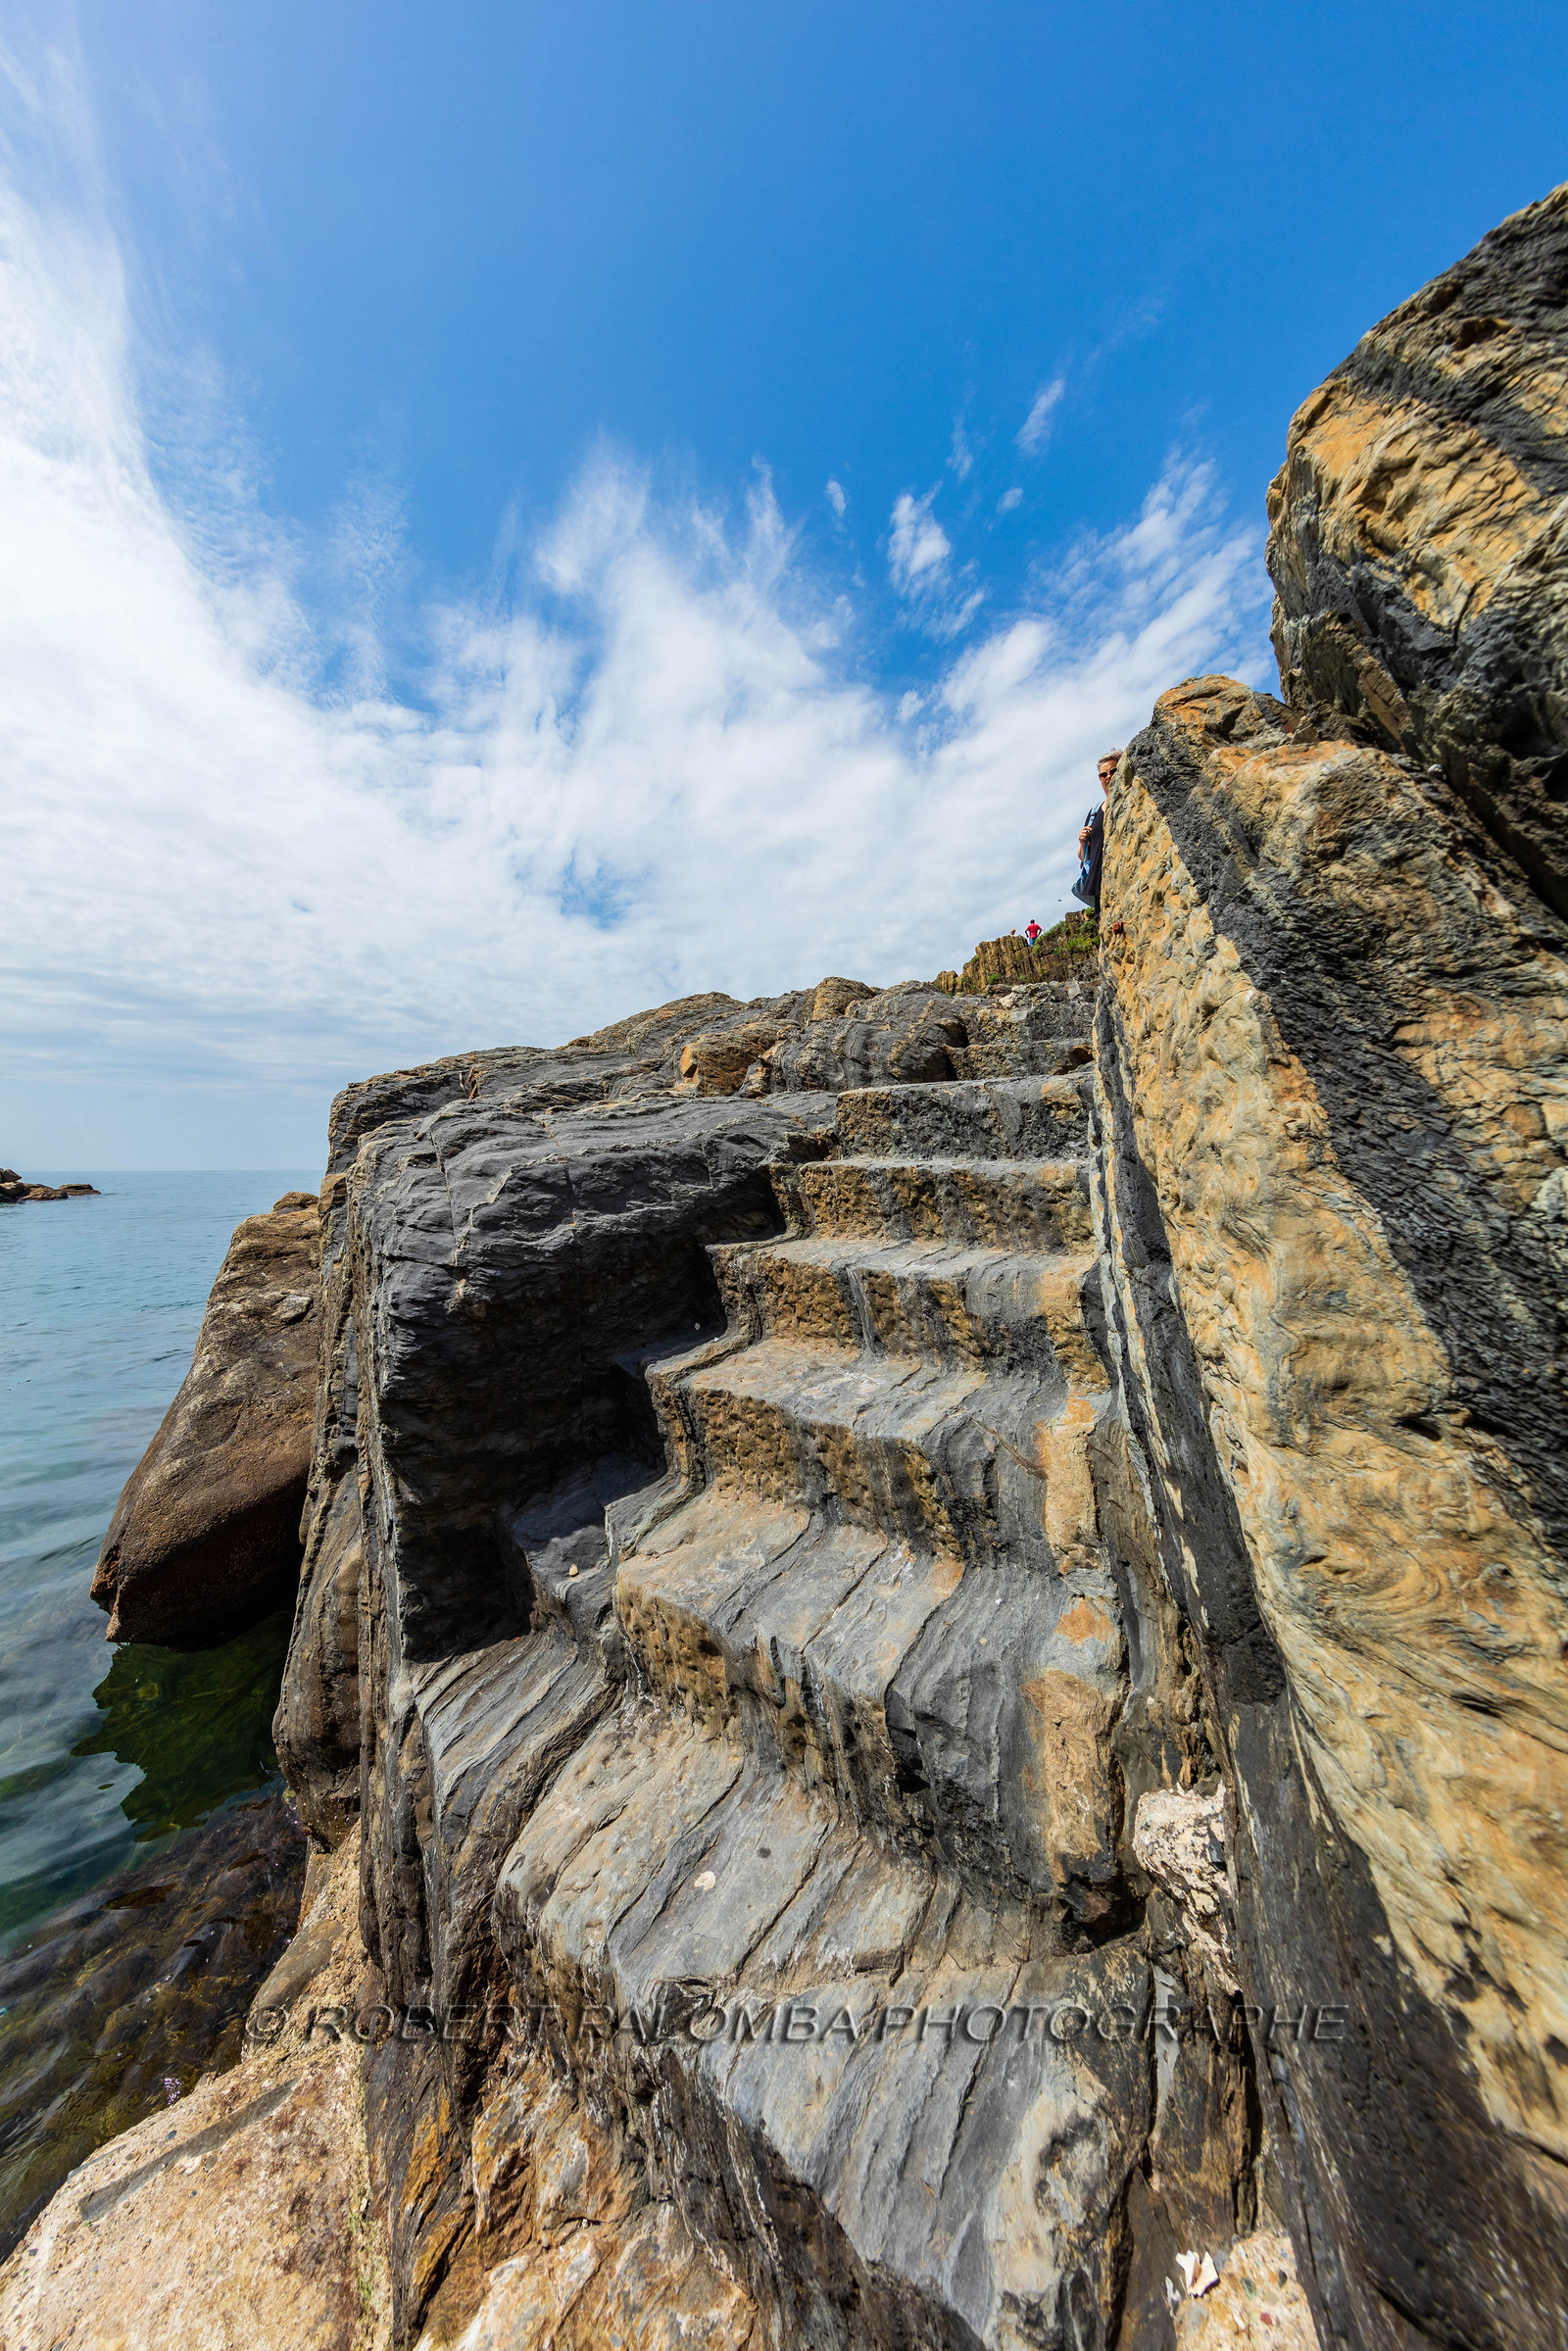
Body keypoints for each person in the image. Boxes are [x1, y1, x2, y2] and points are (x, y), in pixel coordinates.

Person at [1075, 748, 1121, 916]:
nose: (1108, 776)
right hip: (1100, 886)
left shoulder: (1131, 799)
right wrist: (1082, 842)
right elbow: (1084, 857)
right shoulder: (1094, 812)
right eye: (1103, 774)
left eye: (1113, 771)